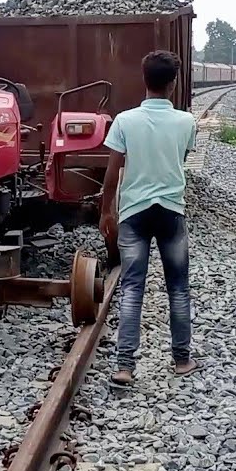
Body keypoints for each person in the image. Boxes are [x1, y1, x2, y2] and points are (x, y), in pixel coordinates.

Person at [99, 50, 200, 386]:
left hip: (134, 214)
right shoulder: (187, 122)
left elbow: (112, 174)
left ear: (144, 79)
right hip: (171, 212)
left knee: (132, 289)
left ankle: (125, 367)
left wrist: (106, 211)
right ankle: (182, 360)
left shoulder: (125, 121)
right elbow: (180, 159)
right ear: (173, 83)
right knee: (178, 289)